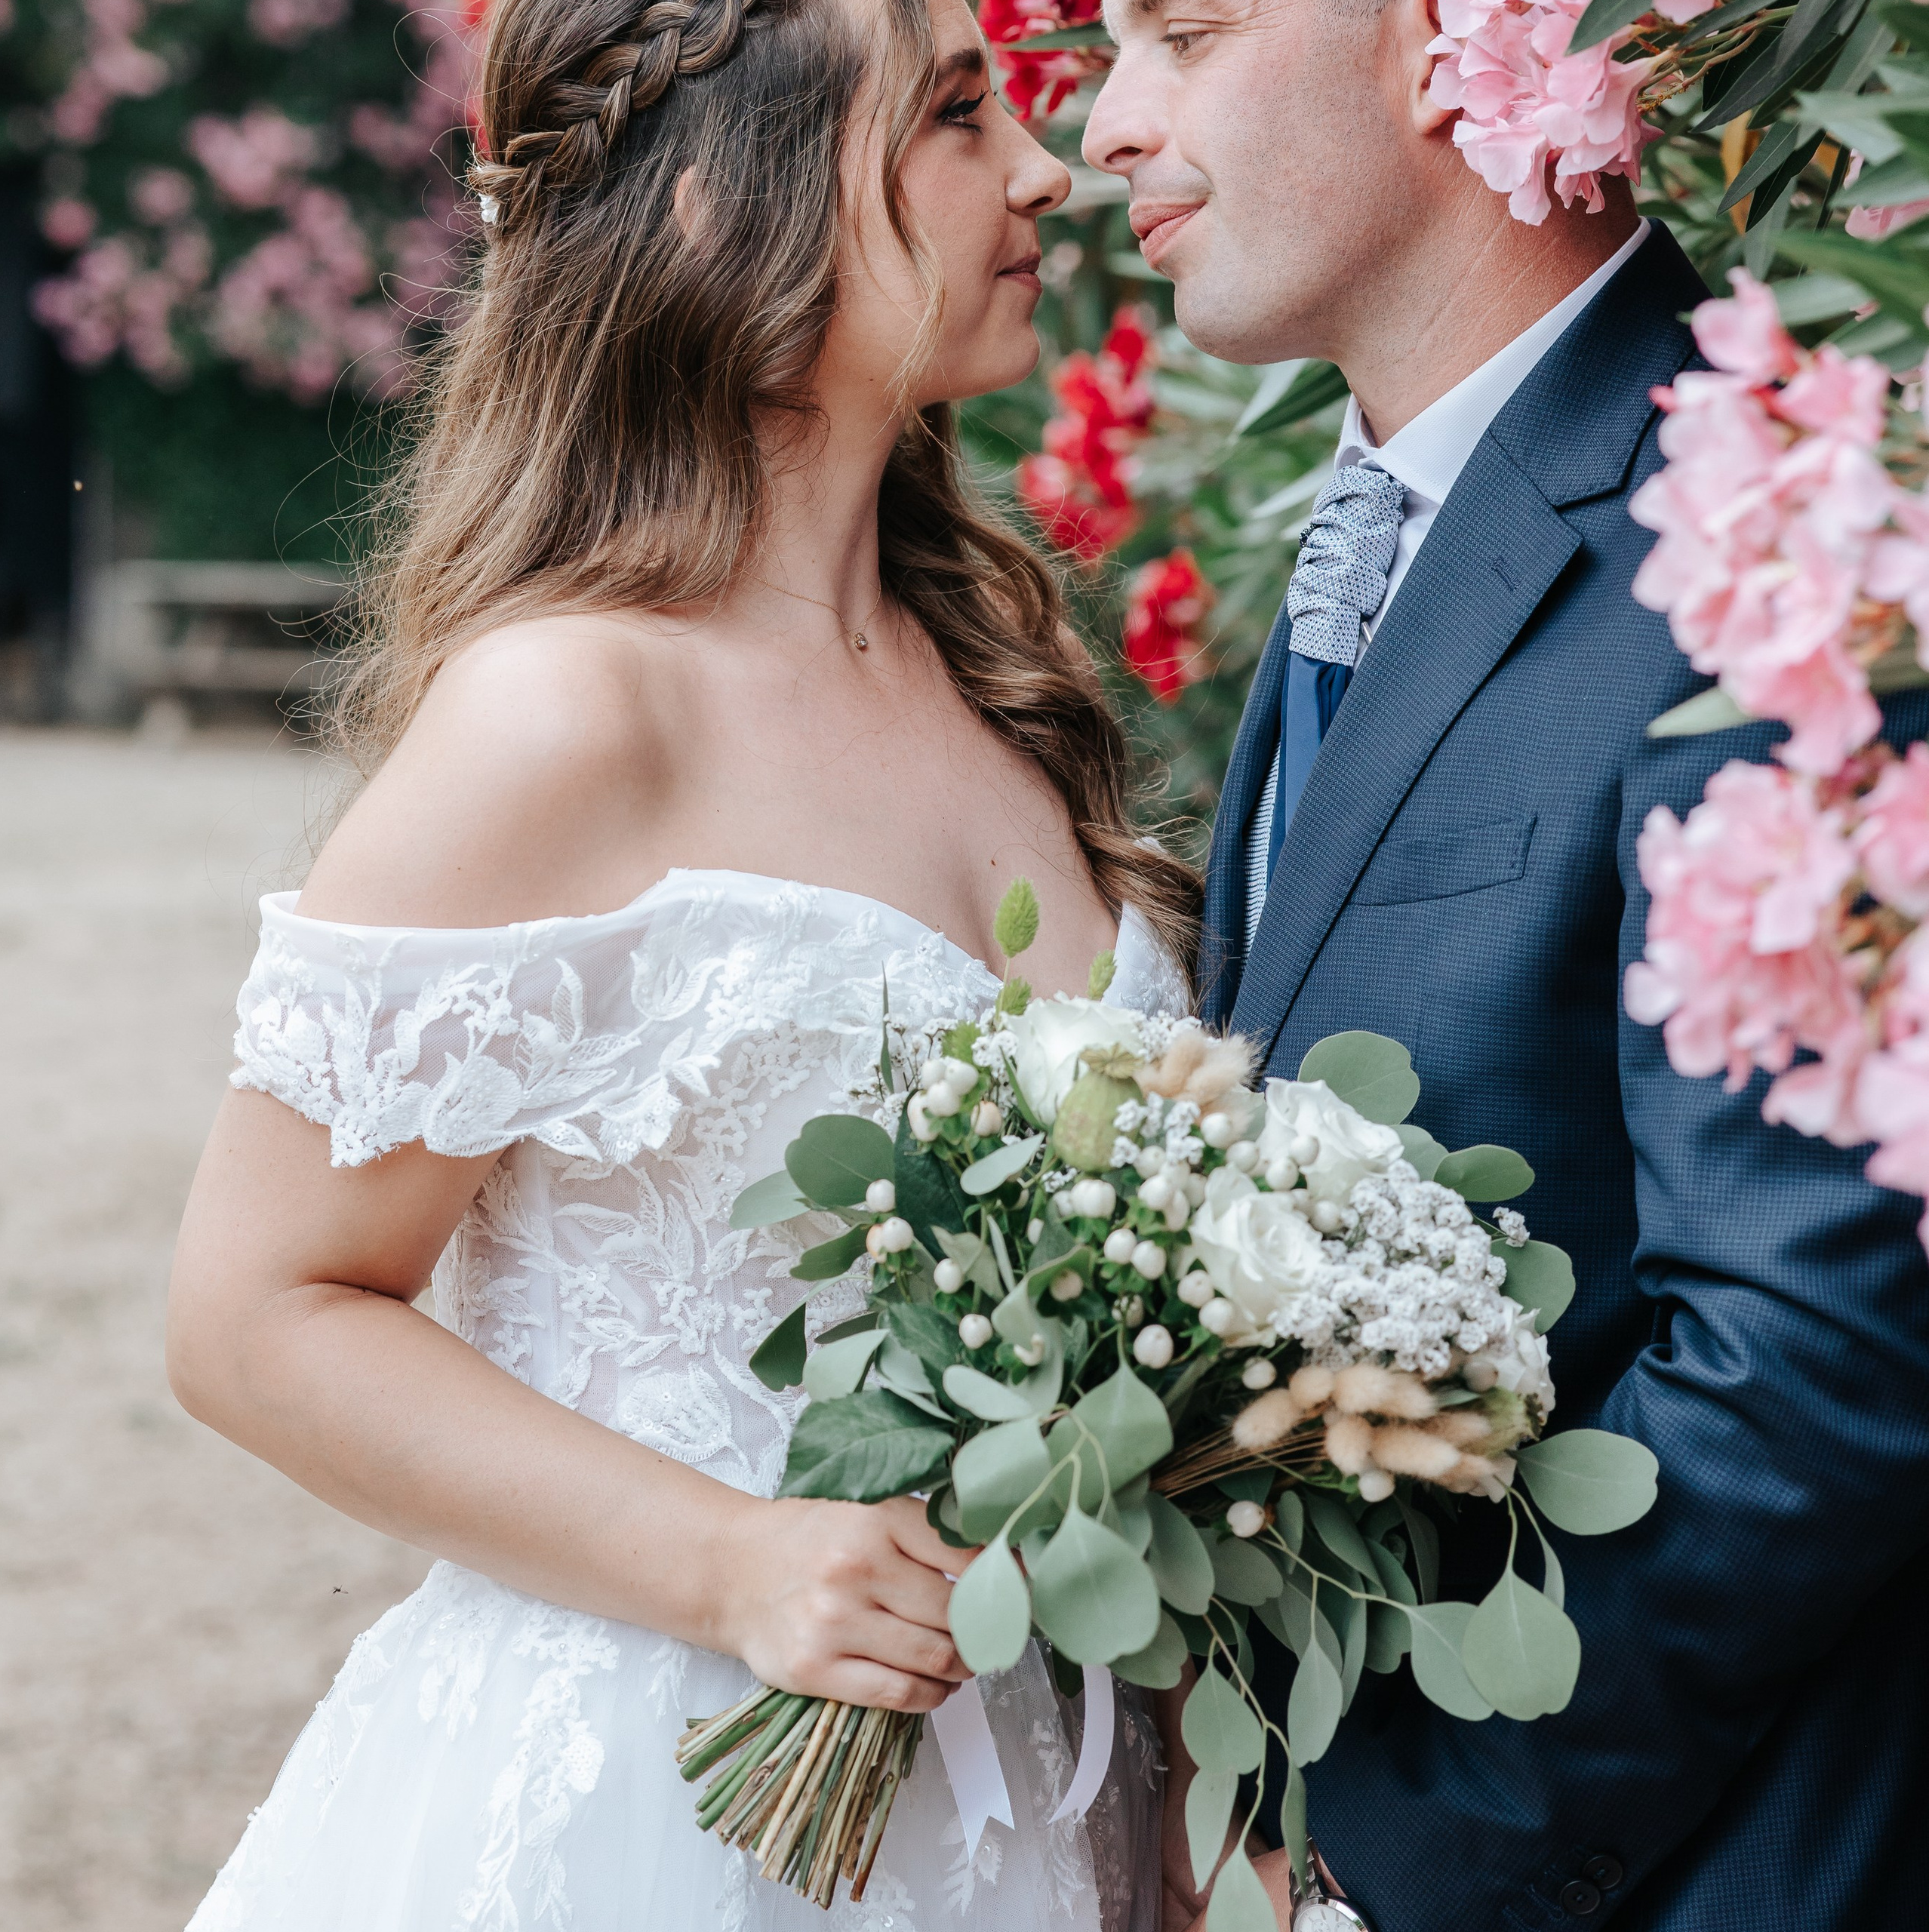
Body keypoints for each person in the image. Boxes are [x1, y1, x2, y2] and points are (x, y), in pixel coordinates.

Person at [166, 0, 1196, 1922]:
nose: (1045, 171)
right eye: (961, 116)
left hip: (1048, 1808)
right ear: (742, 197)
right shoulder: (563, 713)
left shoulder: (995, 684)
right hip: (672, 1803)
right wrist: (730, 1559)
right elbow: (254, 1313)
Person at [1084, 0, 1929, 1927]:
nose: (1104, 134)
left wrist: (1388, 1842)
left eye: (1183, 33)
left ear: (1445, 39)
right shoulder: (1385, 509)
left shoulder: (1760, 537)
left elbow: (1822, 1353)